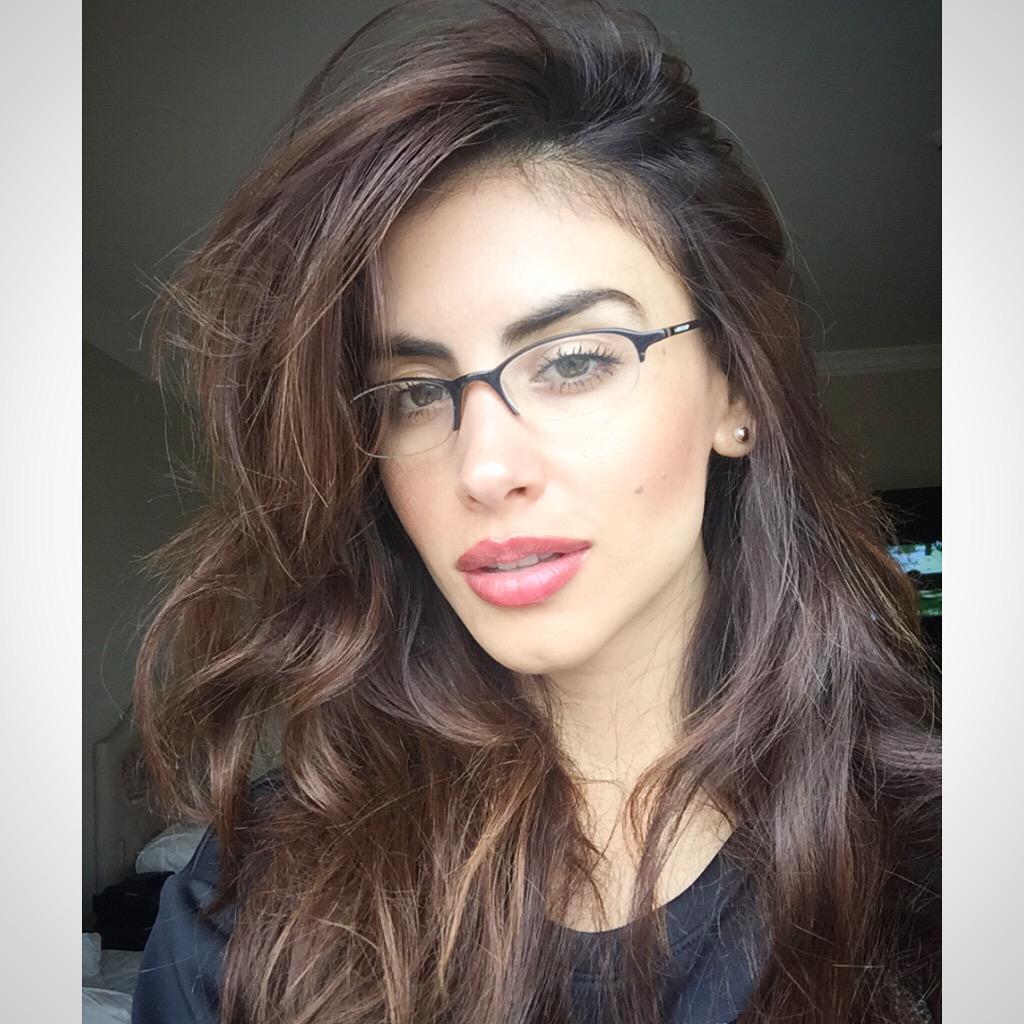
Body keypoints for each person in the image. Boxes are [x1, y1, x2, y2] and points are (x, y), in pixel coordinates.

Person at [129, 2, 940, 1022]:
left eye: (573, 361)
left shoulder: (942, 876)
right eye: (413, 393)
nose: (483, 466)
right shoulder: (249, 898)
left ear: (738, 390)